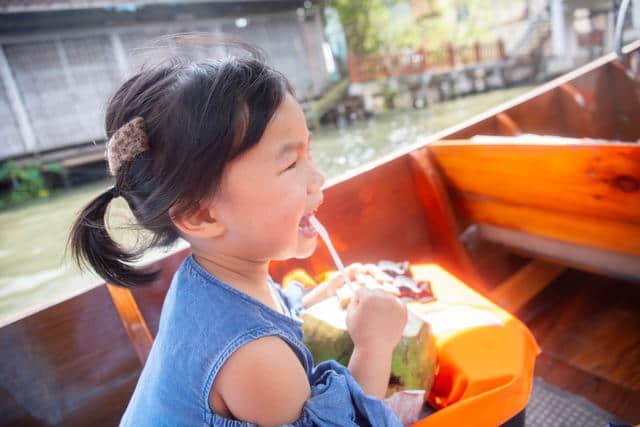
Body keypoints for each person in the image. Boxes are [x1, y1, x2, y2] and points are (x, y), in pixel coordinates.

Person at [69, 44, 408, 426]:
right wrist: (374, 344)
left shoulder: (208, 277)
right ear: (200, 214)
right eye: (291, 163)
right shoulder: (255, 357)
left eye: (308, 153)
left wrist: (320, 297)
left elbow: (271, 314)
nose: (318, 178)